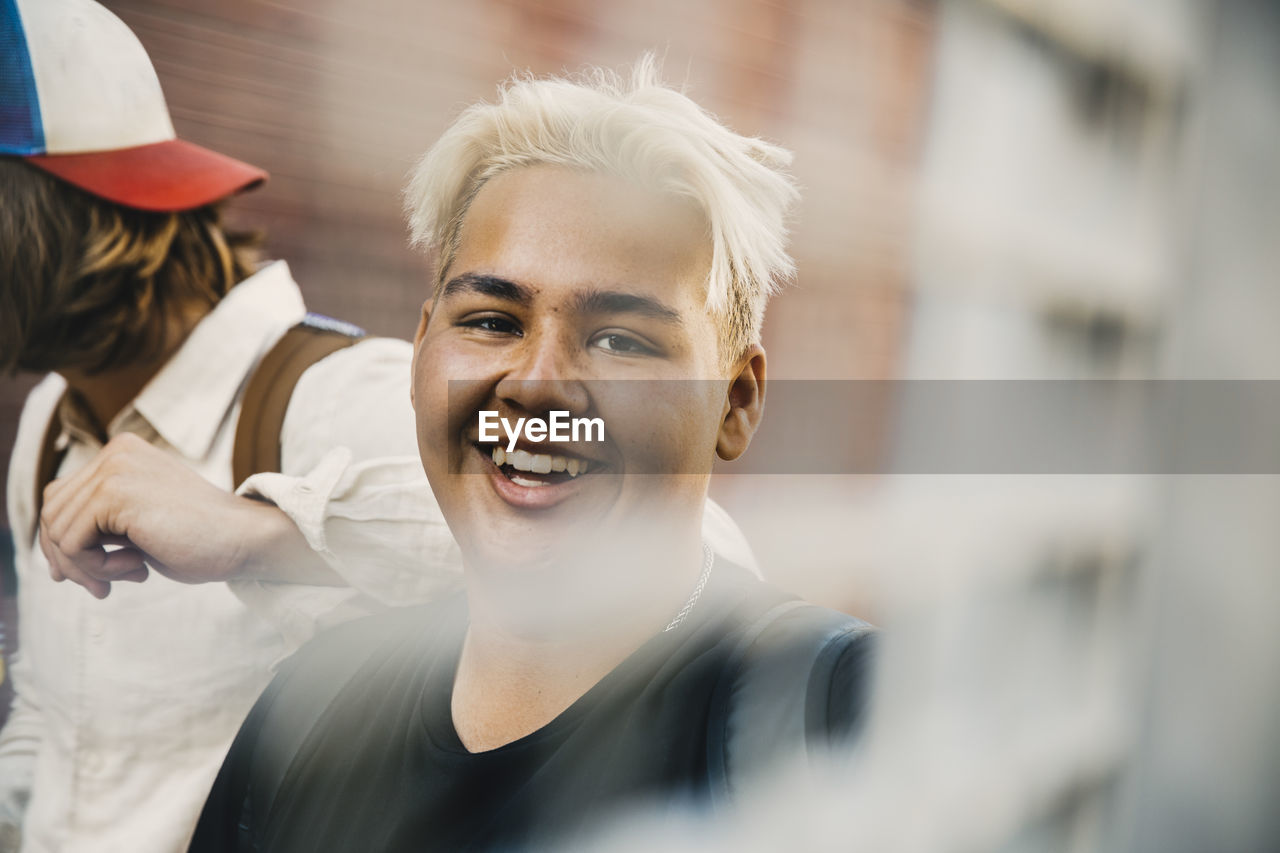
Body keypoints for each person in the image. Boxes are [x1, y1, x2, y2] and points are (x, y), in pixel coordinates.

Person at [0, 5, 759, 851]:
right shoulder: (49, 428)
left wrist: (260, 536)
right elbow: (58, 721)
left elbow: (698, 558)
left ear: (84, 214)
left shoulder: (326, 402)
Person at [190, 58, 875, 853]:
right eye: (491, 321)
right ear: (419, 354)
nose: (539, 386)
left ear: (736, 400)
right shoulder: (312, 714)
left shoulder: (838, 714)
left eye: (621, 339)